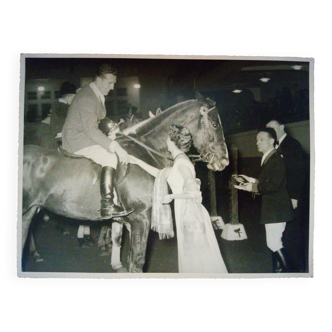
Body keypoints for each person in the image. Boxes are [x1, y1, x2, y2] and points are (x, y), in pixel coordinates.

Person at [129, 125, 228, 273]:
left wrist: (171, 196)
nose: (166, 141)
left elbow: (193, 193)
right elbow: (159, 173)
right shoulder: (179, 161)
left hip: (192, 215)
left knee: (197, 258)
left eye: (168, 138)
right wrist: (135, 161)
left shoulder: (181, 162)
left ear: (173, 141)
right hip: (186, 213)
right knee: (194, 258)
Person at [62, 63, 133, 219]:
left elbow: (97, 122)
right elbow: (91, 130)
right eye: (110, 83)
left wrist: (111, 131)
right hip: (77, 140)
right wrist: (115, 147)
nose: (113, 87)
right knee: (110, 156)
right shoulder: (88, 97)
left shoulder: (95, 94)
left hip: (85, 135)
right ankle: (107, 204)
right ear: (99, 80)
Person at [234, 128, 294, 273]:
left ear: (272, 140)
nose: (257, 143)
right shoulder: (269, 159)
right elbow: (268, 181)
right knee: (274, 243)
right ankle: (278, 272)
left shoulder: (276, 159)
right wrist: (252, 181)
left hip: (276, 210)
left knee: (274, 244)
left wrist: (252, 187)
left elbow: (274, 185)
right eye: (257, 140)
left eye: (261, 139)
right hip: (274, 210)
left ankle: (291, 272)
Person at [266, 119, 307, 272]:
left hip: (290, 198)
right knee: (278, 238)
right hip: (279, 199)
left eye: (273, 129)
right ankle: (279, 270)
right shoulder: (273, 146)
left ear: (282, 127)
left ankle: (297, 271)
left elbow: (298, 173)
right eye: (268, 130)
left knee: (292, 237)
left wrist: (294, 198)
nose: (271, 132)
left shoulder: (292, 145)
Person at [49, 81, 77, 149]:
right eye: (74, 97)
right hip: (60, 135)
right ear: (69, 96)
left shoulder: (61, 104)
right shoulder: (60, 105)